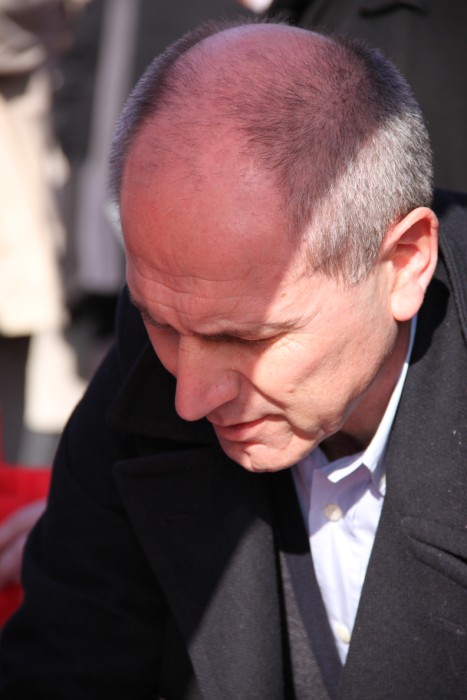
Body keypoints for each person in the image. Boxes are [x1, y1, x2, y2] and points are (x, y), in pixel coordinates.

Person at [0, 19, 466, 700]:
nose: (189, 397)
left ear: (403, 263)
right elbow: (67, 662)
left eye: (246, 339)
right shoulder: (158, 345)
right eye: (161, 323)